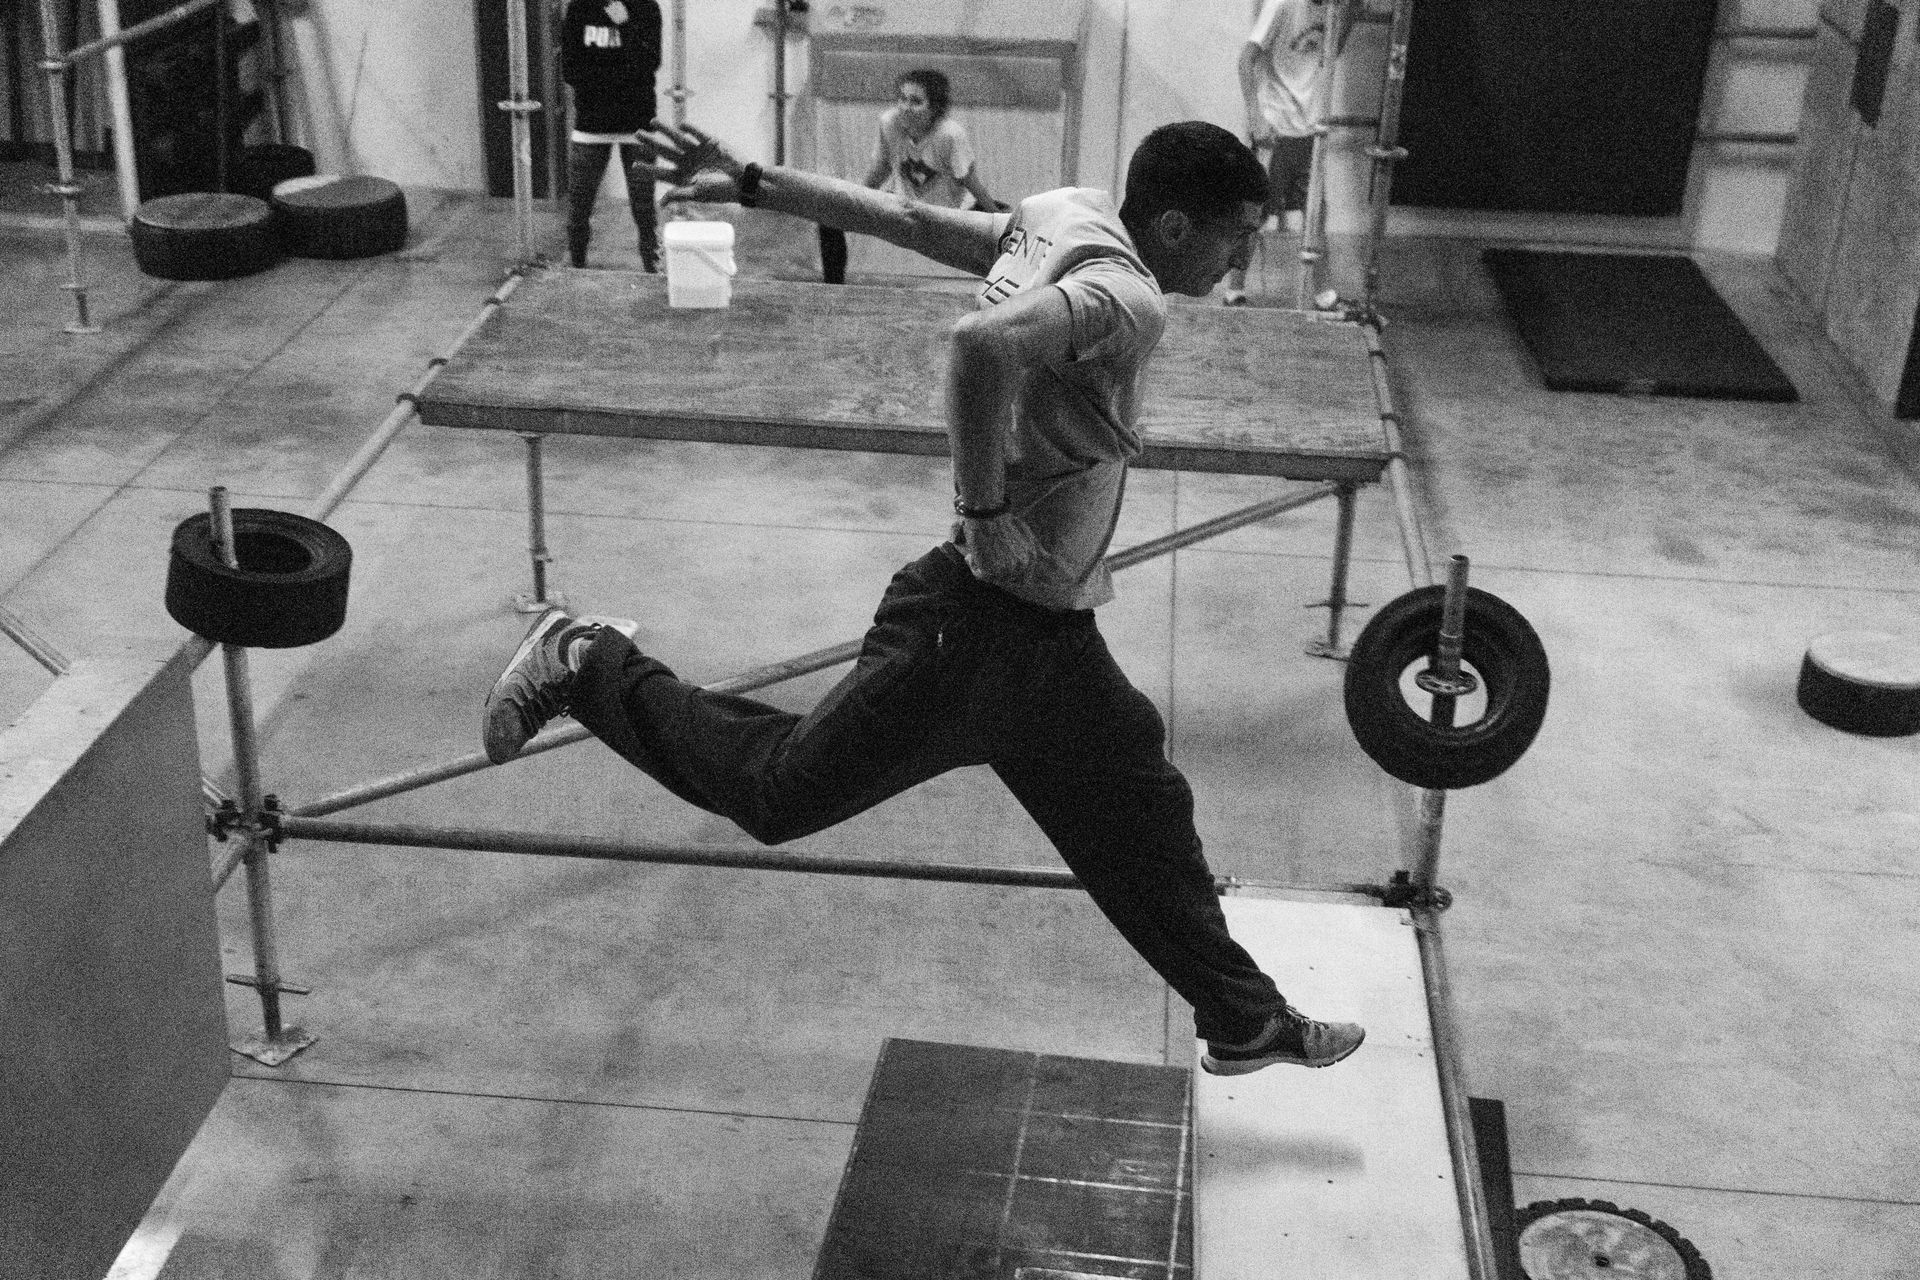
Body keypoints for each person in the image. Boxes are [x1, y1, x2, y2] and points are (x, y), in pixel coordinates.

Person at [481, 119, 1365, 1077]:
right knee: (777, 794)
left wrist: (755, 180)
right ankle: (588, 661)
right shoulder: (1126, 295)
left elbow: (912, 218)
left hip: (1049, 642)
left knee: (1141, 812)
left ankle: (1243, 1019)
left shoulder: (1069, 218)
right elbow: (980, 345)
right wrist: (983, 510)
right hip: (974, 631)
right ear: (1179, 224)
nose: (1248, 253)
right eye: (1242, 232)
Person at [818, 69, 1001, 286]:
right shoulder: (889, 122)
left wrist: (999, 220)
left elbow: (970, 181)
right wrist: (855, 200)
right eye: (902, 99)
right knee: (829, 212)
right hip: (901, 209)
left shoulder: (950, 134)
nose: (906, 107)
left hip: (947, 216)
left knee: (1010, 226)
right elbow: (882, 168)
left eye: (916, 101)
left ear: (934, 108)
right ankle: (833, 287)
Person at [1222, 0, 1350, 305]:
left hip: (1309, 130)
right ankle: (1233, 291)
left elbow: (1332, 51)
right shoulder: (1281, 5)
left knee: (1315, 213)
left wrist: (1351, 12)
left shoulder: (1332, 8)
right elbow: (1246, 59)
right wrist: (1255, 115)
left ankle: (1325, 296)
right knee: (1256, 212)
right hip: (1276, 129)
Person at [559, 0, 663, 271]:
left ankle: (652, 269)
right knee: (579, 207)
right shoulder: (580, 8)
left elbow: (650, 62)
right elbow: (570, 69)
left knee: (644, 210)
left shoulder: (646, 7)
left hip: (637, 122)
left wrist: (625, 25)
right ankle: (576, 268)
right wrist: (621, 74)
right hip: (591, 122)